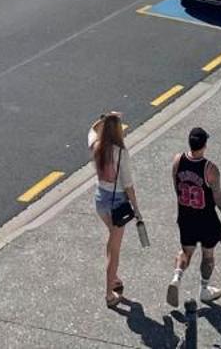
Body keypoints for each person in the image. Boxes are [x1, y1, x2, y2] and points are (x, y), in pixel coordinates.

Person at [167, 125, 221, 309]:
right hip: (206, 220)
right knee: (208, 255)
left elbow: (176, 187)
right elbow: (218, 197)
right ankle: (204, 289)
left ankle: (176, 276)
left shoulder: (177, 160)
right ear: (204, 145)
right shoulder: (210, 169)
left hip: (186, 216)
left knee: (186, 252)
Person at [89, 111, 139, 308]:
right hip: (117, 202)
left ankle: (115, 278)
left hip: (100, 200)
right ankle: (110, 294)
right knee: (115, 252)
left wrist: (104, 118)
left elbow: (92, 130)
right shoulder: (121, 152)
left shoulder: (96, 146)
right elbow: (128, 185)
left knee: (111, 239)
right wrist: (137, 209)